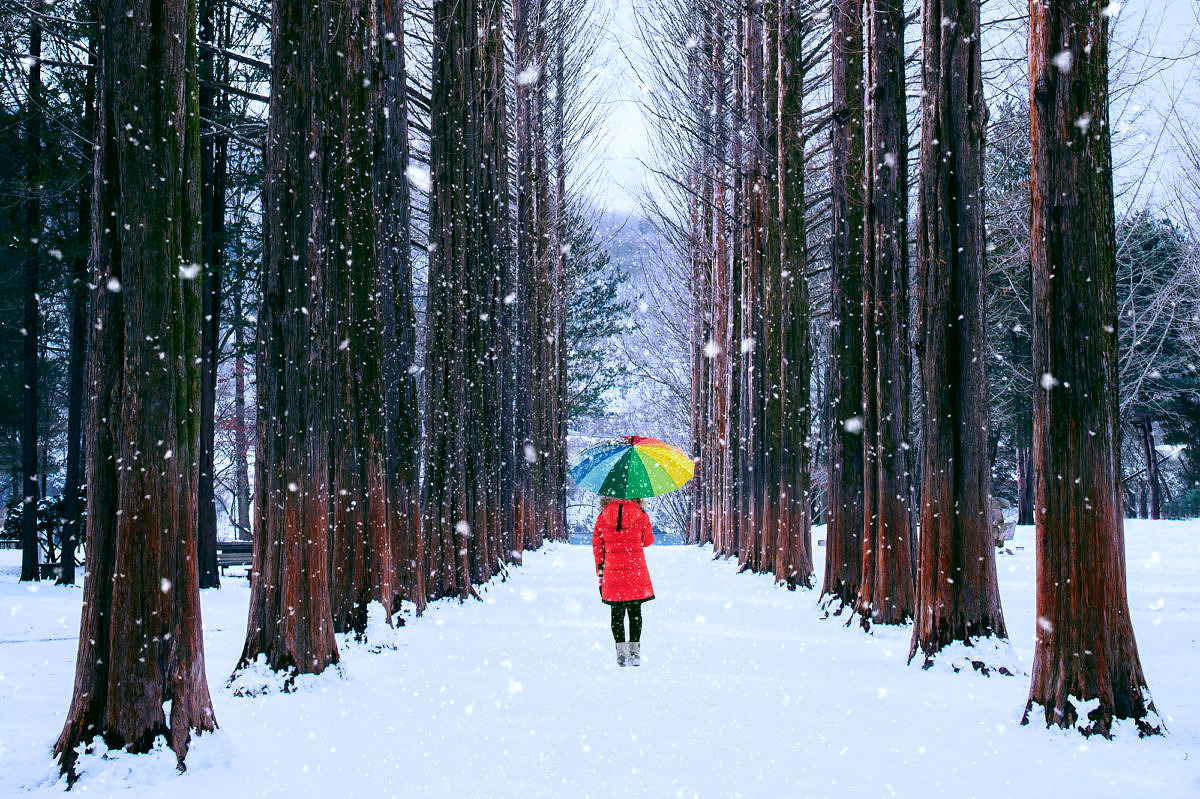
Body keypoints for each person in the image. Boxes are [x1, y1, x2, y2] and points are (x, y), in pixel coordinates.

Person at [592, 496, 655, 667]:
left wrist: (600, 570)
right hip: (635, 571)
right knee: (635, 613)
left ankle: (621, 654)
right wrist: (644, 519)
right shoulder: (640, 514)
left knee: (617, 614)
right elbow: (648, 541)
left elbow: (598, 547)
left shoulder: (602, 516)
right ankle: (634, 653)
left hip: (612, 572)